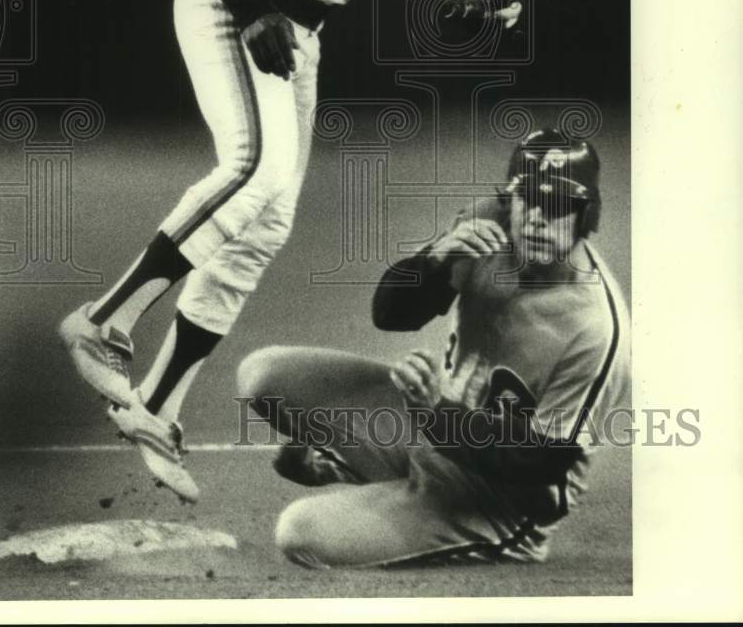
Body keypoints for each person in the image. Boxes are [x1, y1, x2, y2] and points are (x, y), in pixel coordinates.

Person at [58, 0, 520, 501]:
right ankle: (104, 322)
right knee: (255, 169)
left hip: (302, 22)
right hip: (231, 0)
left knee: (267, 224)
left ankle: (156, 405)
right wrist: (254, 6)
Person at [237, 128, 631, 567]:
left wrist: (436, 415)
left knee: (299, 532)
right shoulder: (487, 225)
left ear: (587, 217)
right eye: (529, 200)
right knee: (262, 375)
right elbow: (391, 315)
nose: (538, 217)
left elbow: (540, 465)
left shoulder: (593, 329)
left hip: (497, 500)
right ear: (509, 201)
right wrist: (433, 262)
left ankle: (371, 473)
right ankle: (381, 470)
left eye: (558, 204)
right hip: (436, 425)